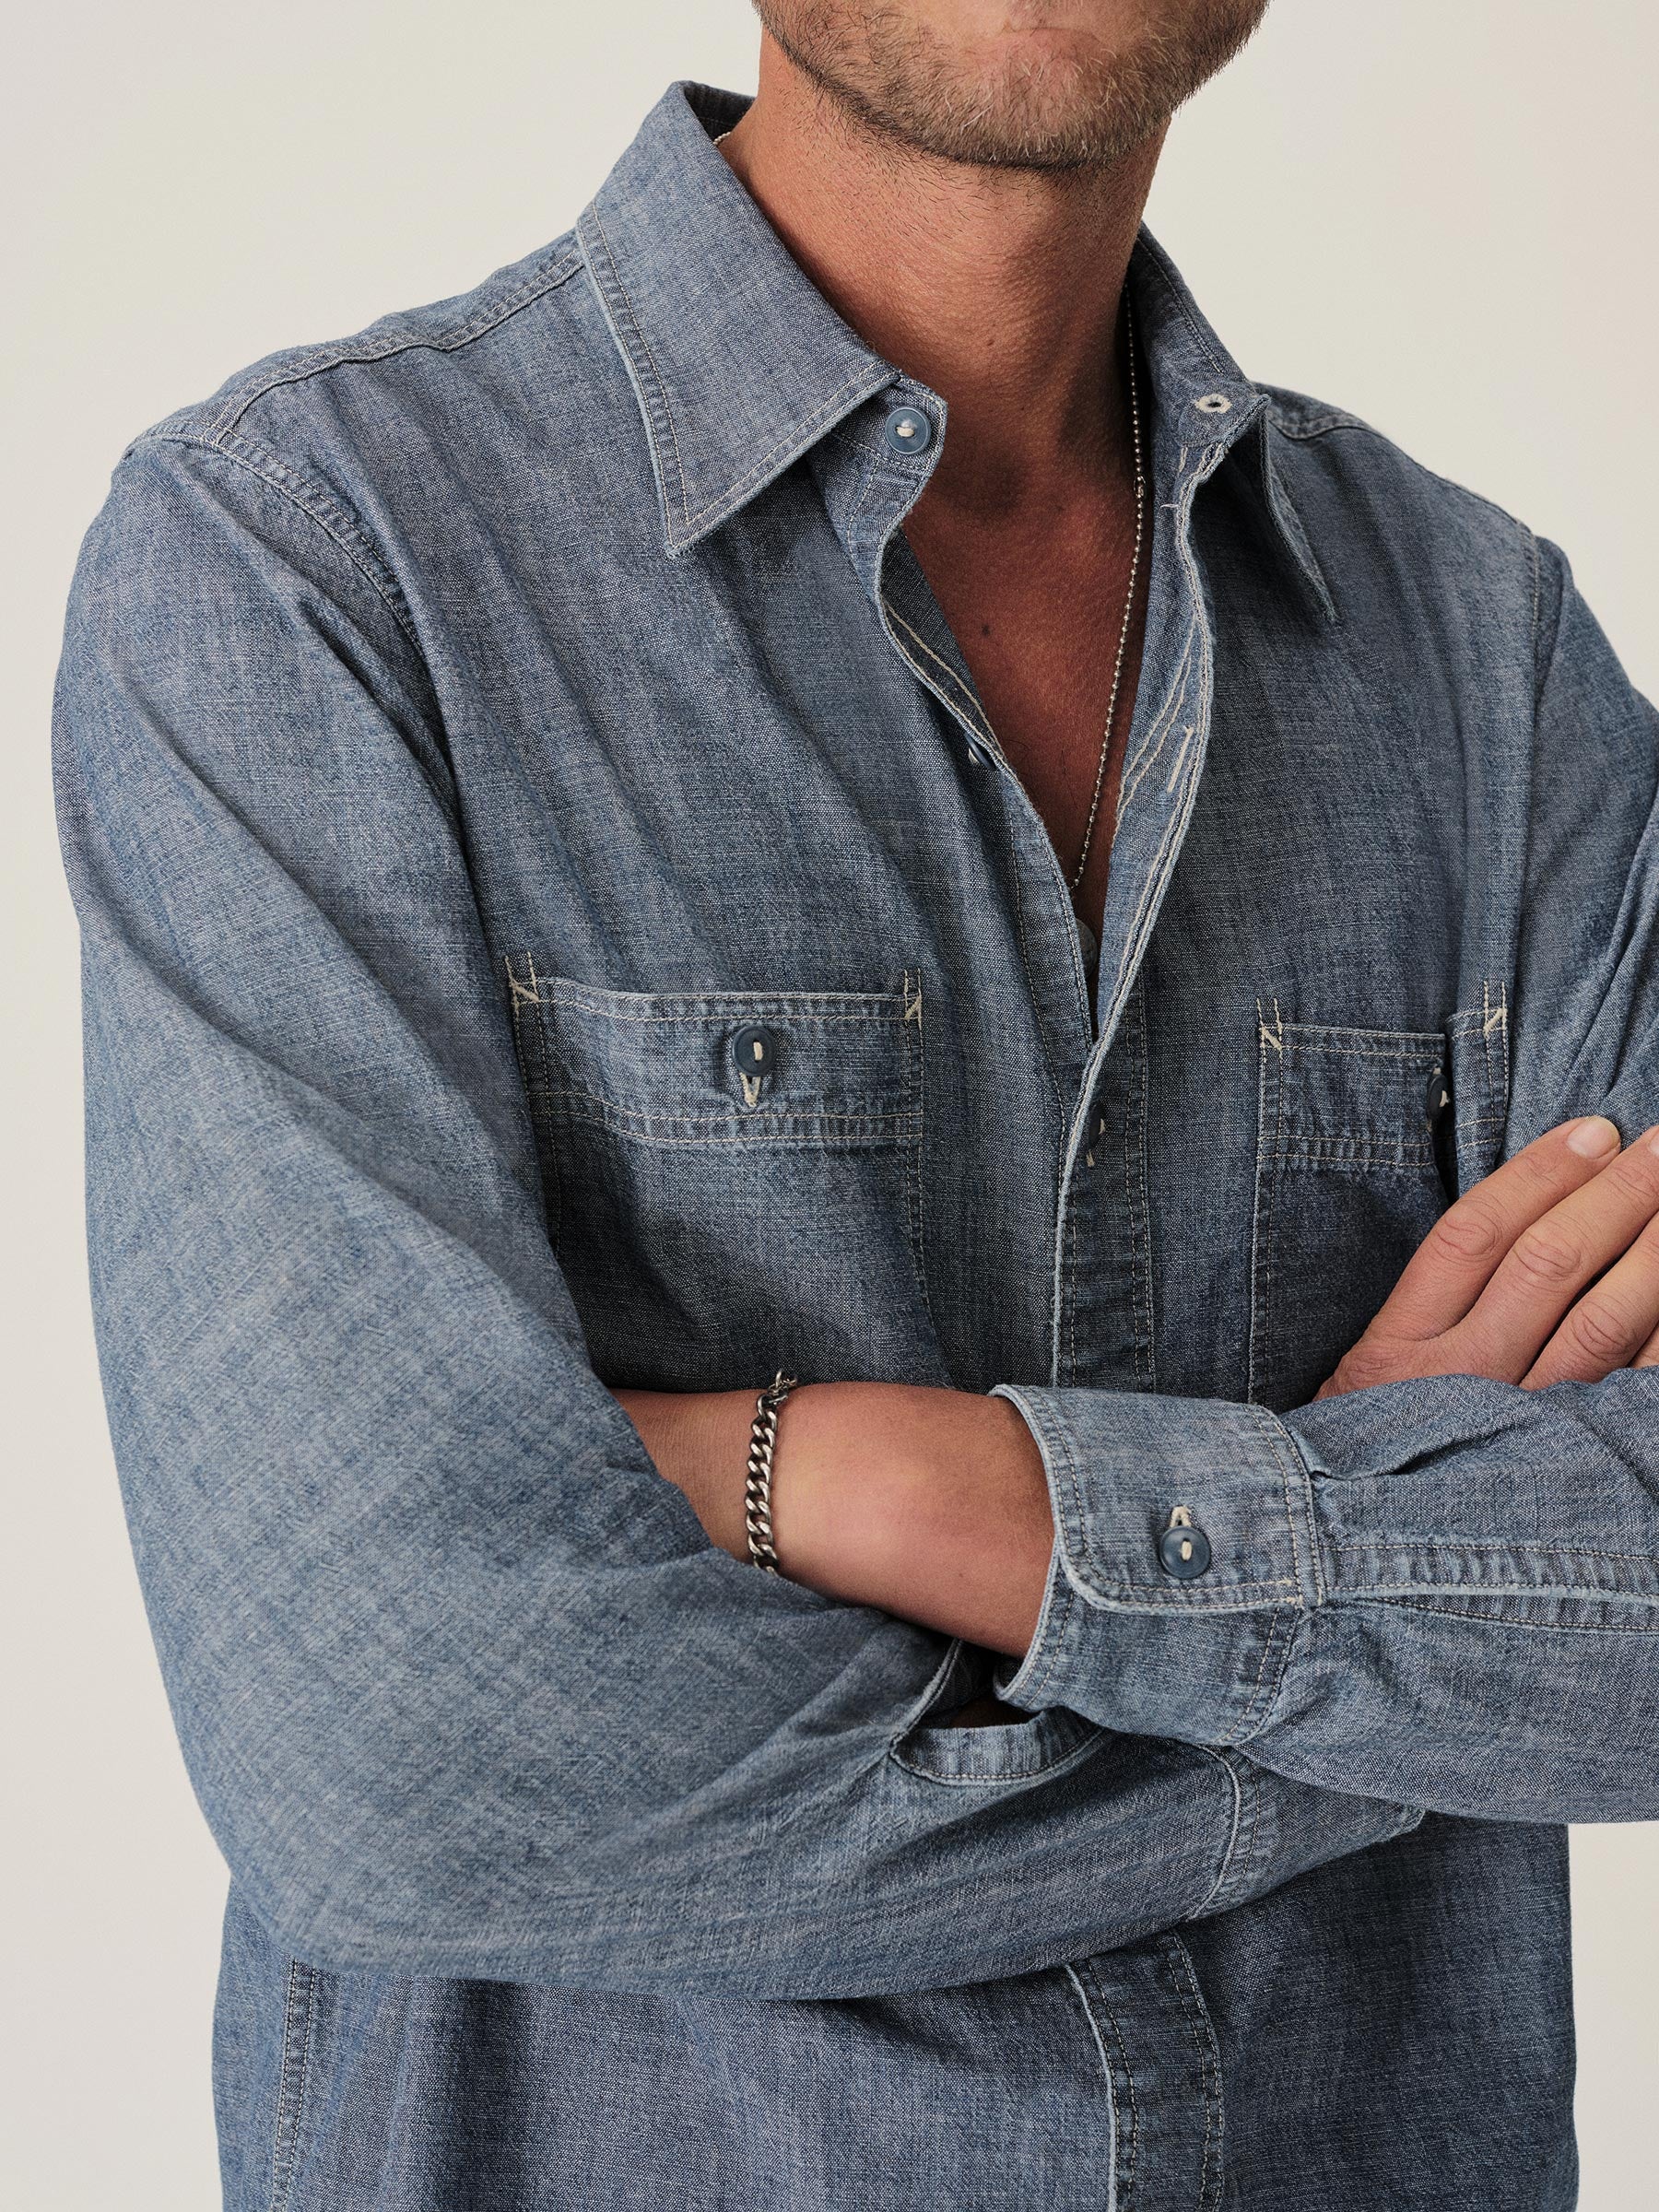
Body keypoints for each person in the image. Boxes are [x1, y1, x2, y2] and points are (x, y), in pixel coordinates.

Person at [51, 4, 1658, 2206]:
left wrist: (882, 1481)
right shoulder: (311, 571)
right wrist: (1380, 1617)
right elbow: (409, 1751)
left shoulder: (1493, 660)